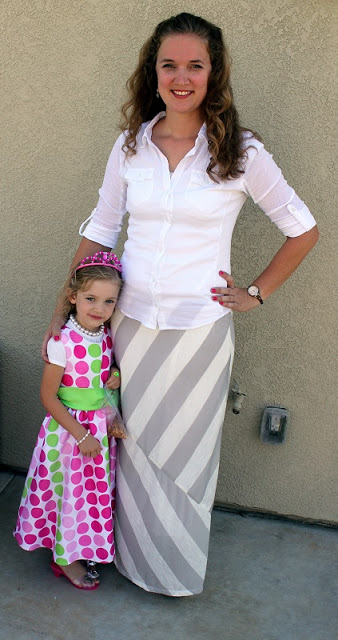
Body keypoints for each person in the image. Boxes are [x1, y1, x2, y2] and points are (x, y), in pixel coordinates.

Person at [42, 13, 319, 596]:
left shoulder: (241, 151)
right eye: (170, 64)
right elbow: (101, 228)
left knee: (186, 459)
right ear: (154, 71)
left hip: (201, 332)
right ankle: (123, 558)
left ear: (213, 73)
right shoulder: (132, 146)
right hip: (130, 326)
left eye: (195, 64)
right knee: (130, 447)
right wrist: (64, 308)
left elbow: (303, 230)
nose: (181, 76)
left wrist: (256, 293)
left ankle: (171, 573)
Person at [15, 252, 123, 590]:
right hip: (68, 435)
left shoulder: (106, 336)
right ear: (73, 297)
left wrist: (114, 392)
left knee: (89, 496)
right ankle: (64, 559)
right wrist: (80, 435)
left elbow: (101, 384)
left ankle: (81, 545)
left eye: (109, 301)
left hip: (98, 431)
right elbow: (49, 397)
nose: (99, 308)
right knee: (67, 497)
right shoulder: (62, 341)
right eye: (91, 298)